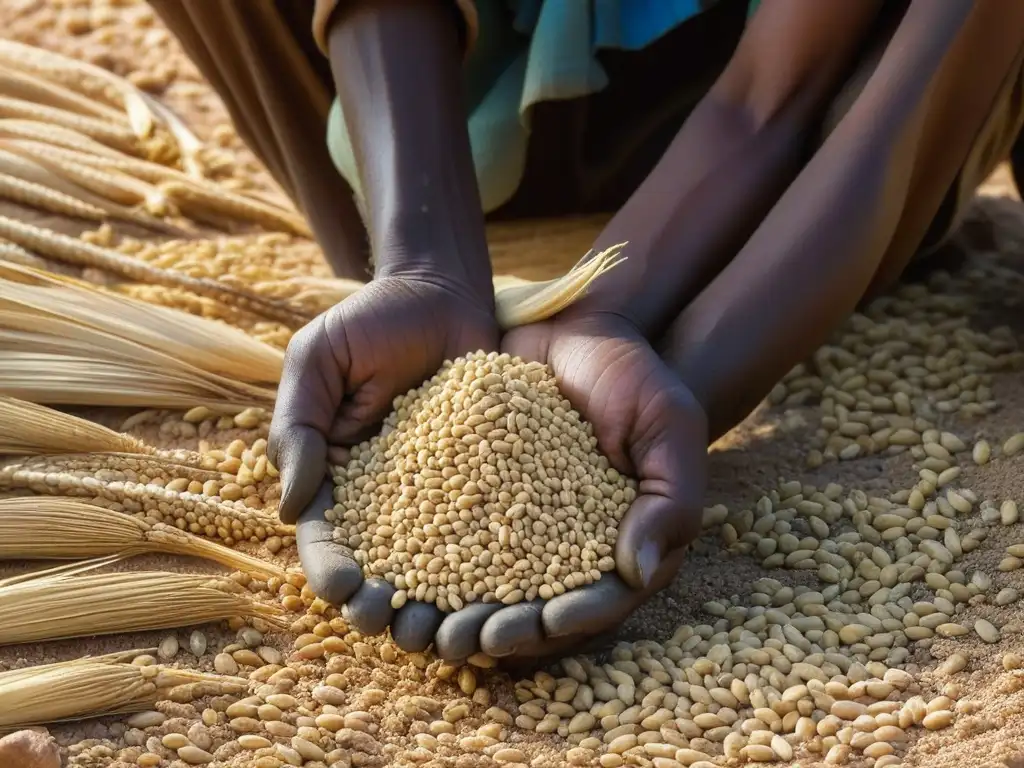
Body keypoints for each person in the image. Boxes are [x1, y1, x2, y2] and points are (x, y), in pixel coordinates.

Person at [151, 0, 1024, 663]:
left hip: (804, 152)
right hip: (414, 110)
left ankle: (693, 292)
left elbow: (778, 90)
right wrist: (426, 259)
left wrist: (634, 329)